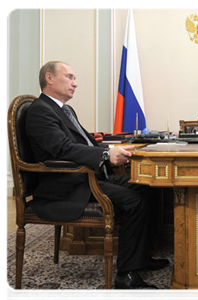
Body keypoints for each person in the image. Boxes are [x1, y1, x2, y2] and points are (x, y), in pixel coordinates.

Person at [26, 61, 169, 297]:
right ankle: (126, 275)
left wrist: (116, 146)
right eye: (70, 77)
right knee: (134, 200)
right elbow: (62, 149)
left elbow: (84, 143)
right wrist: (105, 154)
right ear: (49, 78)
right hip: (68, 185)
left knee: (148, 188)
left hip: (87, 177)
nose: (75, 83)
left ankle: (140, 257)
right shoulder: (40, 110)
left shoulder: (64, 110)